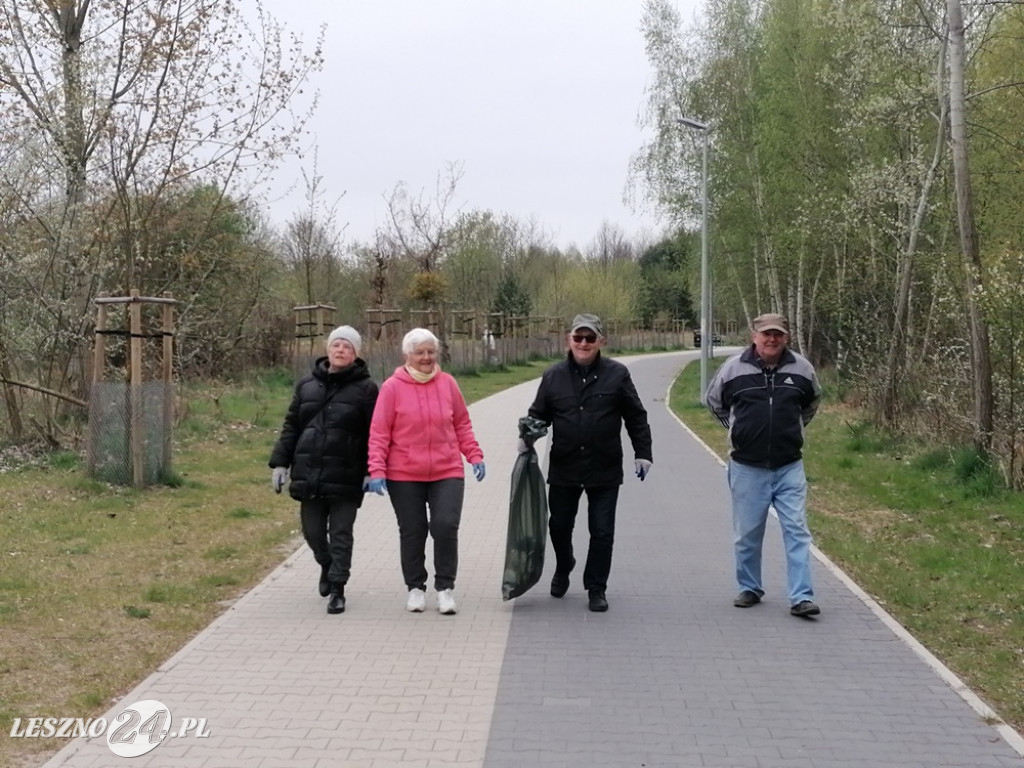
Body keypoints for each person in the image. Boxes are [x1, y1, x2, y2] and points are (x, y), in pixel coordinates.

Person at [525, 313, 653, 613]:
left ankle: (596, 587)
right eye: (578, 337)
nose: (584, 343)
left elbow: (636, 416)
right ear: (568, 340)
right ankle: (564, 563)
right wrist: (527, 433)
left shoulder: (617, 375)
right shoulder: (553, 376)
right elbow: (539, 414)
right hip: (564, 467)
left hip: (604, 467)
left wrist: (643, 452)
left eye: (590, 338)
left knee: (602, 531)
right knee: (558, 525)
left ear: (601, 342)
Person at [705, 312, 823, 618]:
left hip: (789, 466)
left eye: (778, 334)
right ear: (754, 336)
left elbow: (811, 403)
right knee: (747, 534)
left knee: (797, 530)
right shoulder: (733, 369)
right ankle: (750, 588)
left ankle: (801, 597)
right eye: (766, 334)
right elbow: (714, 402)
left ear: (786, 337)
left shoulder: (802, 369)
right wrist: (737, 429)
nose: (772, 339)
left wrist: (792, 428)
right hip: (747, 466)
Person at [366, 328, 485, 616]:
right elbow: (380, 432)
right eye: (420, 352)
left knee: (445, 526)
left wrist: (474, 454)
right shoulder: (392, 388)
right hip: (404, 474)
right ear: (407, 355)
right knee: (413, 531)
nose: (426, 357)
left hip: (447, 470)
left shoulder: (447, 383)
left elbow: (461, 424)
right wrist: (376, 469)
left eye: (431, 351)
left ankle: (445, 588)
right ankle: (416, 588)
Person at [269, 325, 379, 615]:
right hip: (310, 472)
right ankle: (327, 564)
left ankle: (338, 589)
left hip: (347, 473)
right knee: (313, 532)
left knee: (341, 533)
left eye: (347, 347)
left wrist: (372, 470)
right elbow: (291, 425)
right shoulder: (307, 385)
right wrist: (280, 463)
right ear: (328, 349)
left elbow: (374, 433)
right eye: (337, 345)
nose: (341, 350)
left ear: (355, 354)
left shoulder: (367, 389)